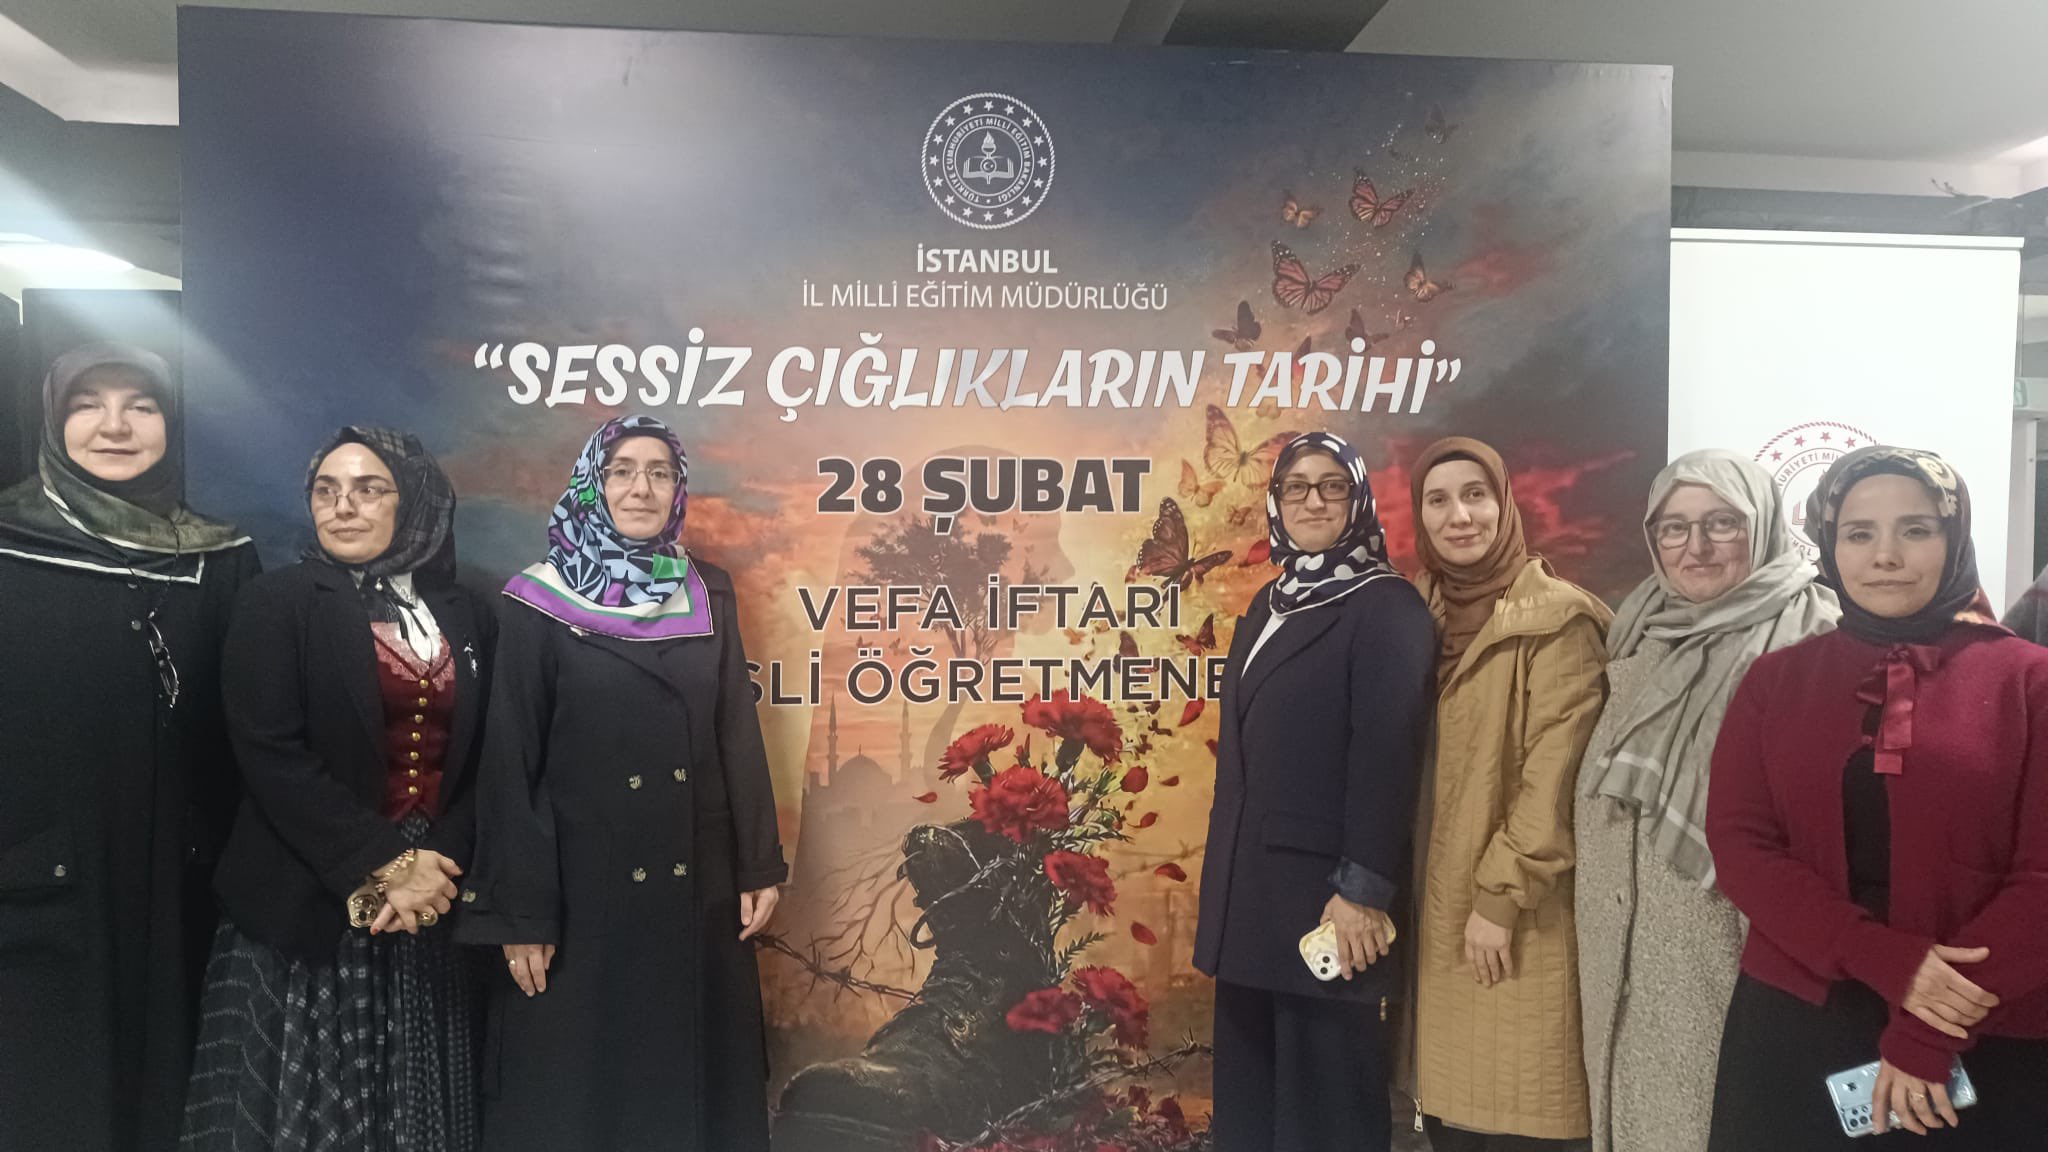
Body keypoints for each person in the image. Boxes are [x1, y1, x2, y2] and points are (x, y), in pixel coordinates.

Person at [457, 415, 788, 1152]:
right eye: (622, 471)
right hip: (582, 891)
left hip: (696, 880)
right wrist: (521, 914)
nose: (642, 487)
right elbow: (512, 759)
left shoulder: (710, 591)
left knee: (691, 1094)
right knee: (586, 1098)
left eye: (660, 472)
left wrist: (758, 861)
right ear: (592, 484)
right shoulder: (535, 599)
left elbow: (735, 727)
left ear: (678, 490)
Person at [1706, 446, 2048, 1150]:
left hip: (1984, 1023)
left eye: (1916, 530)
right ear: (1829, 545)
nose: (1885, 555)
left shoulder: (2030, 682)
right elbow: (1741, 846)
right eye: (1859, 533)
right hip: (1800, 1016)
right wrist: (1887, 960)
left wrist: (1928, 1029)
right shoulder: (1775, 681)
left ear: (1955, 538)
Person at [180, 427, 493, 1151]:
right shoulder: (278, 601)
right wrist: (385, 863)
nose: (342, 506)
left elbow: (486, 756)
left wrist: (438, 862)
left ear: (413, 501)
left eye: (368, 489)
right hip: (310, 898)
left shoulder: (465, 611)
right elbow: (269, 753)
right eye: (327, 491)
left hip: (427, 901)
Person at [0, 343, 259, 1152]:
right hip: (44, 875)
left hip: (181, 882)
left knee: (174, 1095)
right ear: (52, 420)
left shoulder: (219, 558)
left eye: (141, 406)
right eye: (88, 404)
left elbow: (247, 728)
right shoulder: (9, 543)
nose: (115, 426)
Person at [1574, 450, 1838, 1152]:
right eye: (1674, 527)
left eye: (1722, 523)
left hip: (1729, 956)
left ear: (1763, 526)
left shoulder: (1813, 641)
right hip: (1621, 956)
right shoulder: (1638, 631)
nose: (1696, 547)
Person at [1194, 433, 1436, 1152]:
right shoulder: (1271, 603)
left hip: (1326, 912)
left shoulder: (1385, 607)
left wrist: (1362, 891)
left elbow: (1388, 756)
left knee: (1325, 1119)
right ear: (1276, 501)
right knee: (1251, 1117)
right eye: (1295, 487)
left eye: (1333, 485)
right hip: (1249, 904)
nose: (1313, 501)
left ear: (1357, 499)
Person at [1408, 437, 1609, 1150]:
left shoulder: (1559, 620)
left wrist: (1499, 895)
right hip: (1433, 910)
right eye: (1438, 500)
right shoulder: (1413, 617)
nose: (1459, 516)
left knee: (1519, 1114)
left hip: (1513, 917)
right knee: (1452, 1118)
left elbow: (1555, 776)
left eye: (1476, 495)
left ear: (1505, 504)